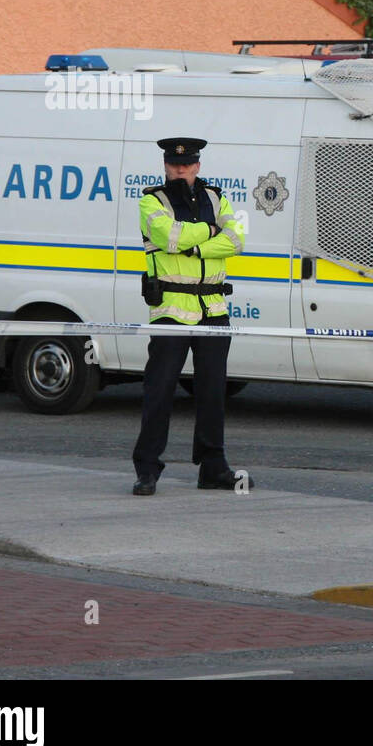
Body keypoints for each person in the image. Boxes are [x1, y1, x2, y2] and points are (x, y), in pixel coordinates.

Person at [131, 137, 251, 496]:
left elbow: (237, 240)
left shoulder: (217, 197)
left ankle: (213, 467)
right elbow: (168, 236)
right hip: (171, 311)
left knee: (213, 393)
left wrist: (195, 243)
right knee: (159, 391)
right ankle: (147, 469)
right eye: (174, 164)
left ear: (198, 165)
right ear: (166, 165)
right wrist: (210, 232)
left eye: (187, 165)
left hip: (213, 310)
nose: (180, 170)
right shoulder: (152, 201)